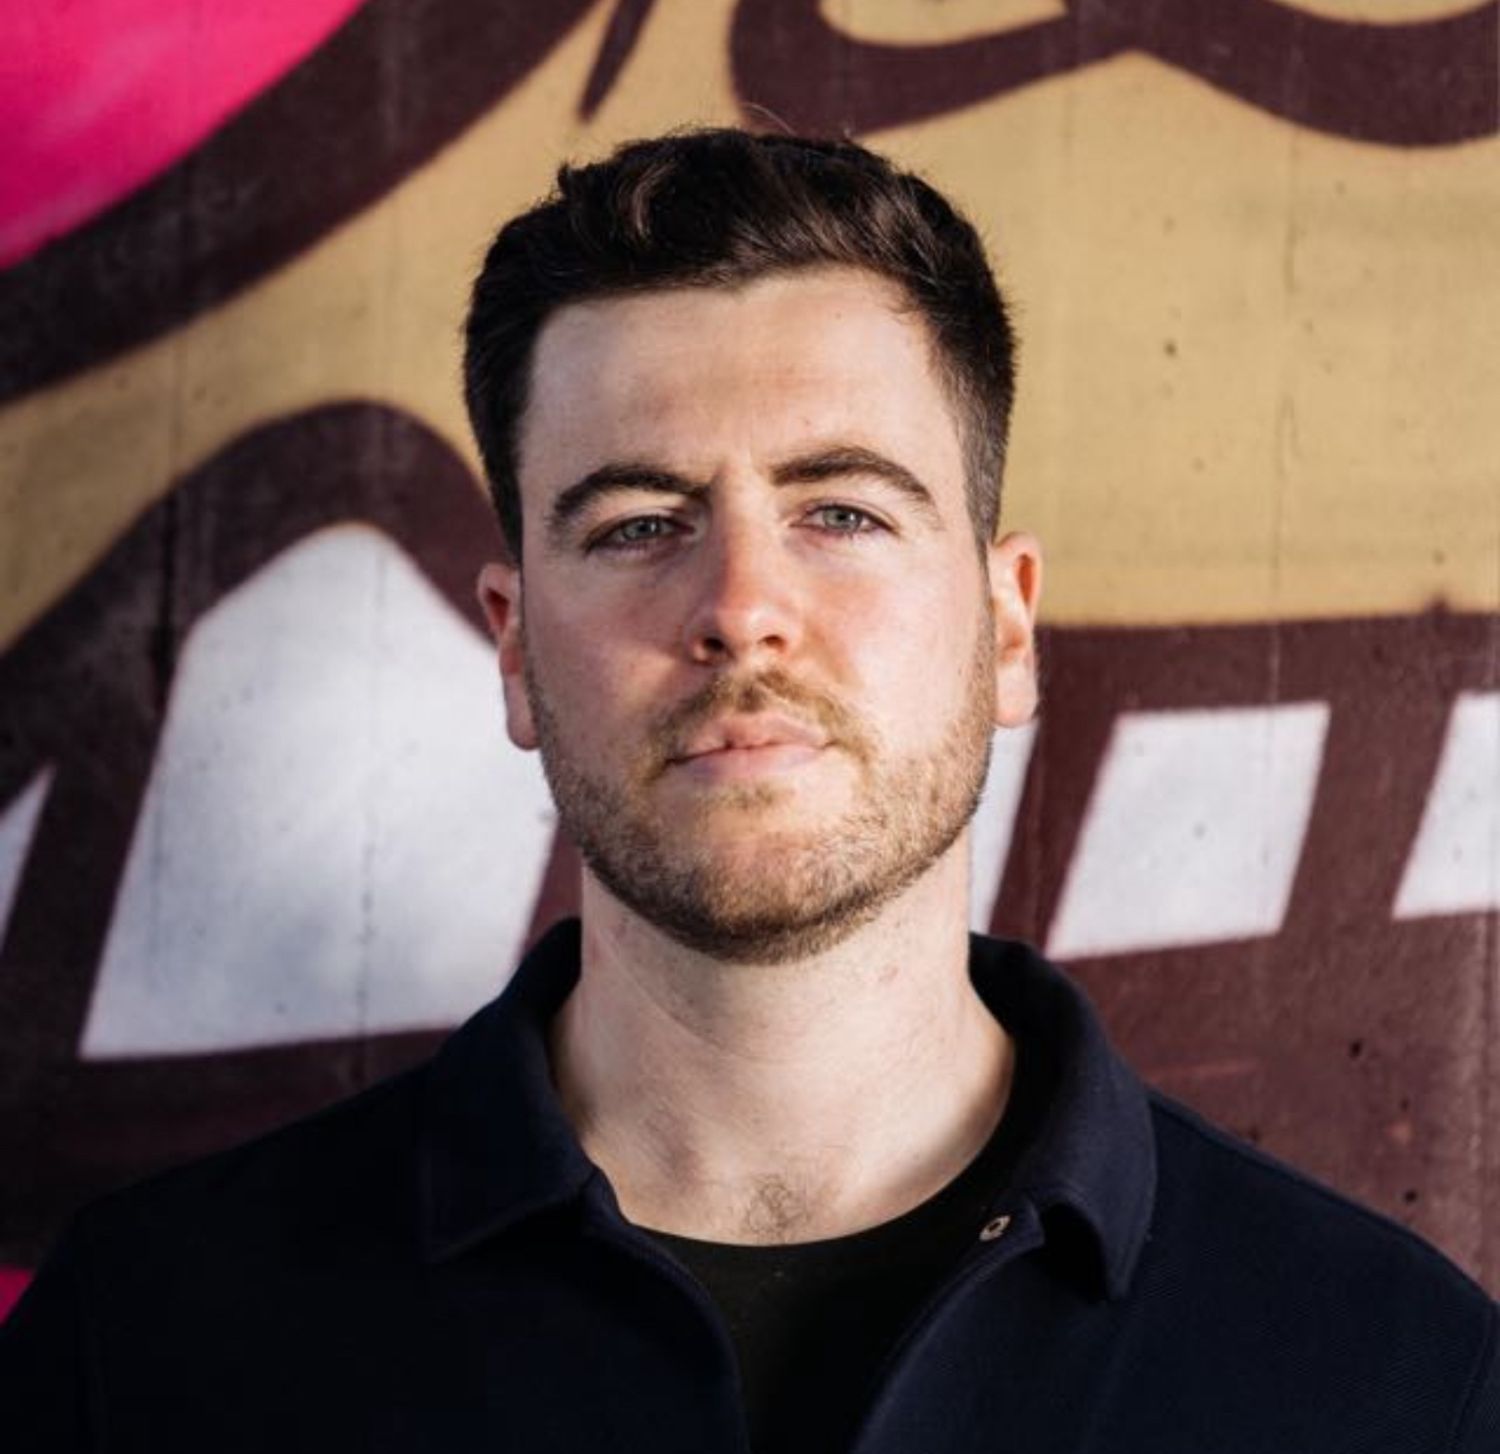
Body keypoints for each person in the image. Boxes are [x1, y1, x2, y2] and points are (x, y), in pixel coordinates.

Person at [2, 128, 1495, 1453]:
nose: (741, 607)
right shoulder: (147, 1345)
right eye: (640, 523)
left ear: (1007, 628)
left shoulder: (1394, 1378)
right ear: (515, 649)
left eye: (840, 511)